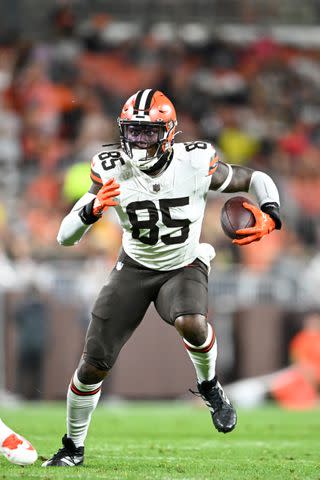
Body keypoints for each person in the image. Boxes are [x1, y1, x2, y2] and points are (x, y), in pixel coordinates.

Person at [43, 89, 281, 467]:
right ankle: (72, 447)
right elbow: (64, 236)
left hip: (183, 263)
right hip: (133, 267)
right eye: (132, 132)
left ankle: (209, 385)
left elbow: (256, 178)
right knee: (93, 364)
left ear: (168, 133)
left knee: (192, 322)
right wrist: (92, 208)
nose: (138, 141)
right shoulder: (110, 167)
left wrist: (271, 212)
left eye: (148, 132)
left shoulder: (194, 163)